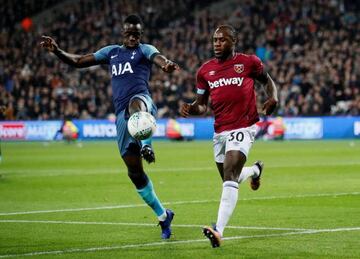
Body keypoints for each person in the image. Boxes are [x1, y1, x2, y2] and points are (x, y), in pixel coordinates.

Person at [40, 14, 180, 239]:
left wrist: (167, 65)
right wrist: (56, 50)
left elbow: (158, 57)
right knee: (135, 172)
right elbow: (78, 62)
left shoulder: (145, 49)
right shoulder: (111, 52)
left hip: (142, 102)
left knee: (136, 106)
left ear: (140, 34)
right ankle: (163, 215)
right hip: (121, 118)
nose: (133, 37)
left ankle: (147, 144)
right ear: (123, 33)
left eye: (137, 33)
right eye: (130, 33)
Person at [180, 25, 278, 247]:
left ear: (234, 41)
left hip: (244, 126)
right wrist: (191, 109)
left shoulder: (249, 62)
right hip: (220, 131)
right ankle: (255, 170)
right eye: (214, 40)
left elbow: (267, 80)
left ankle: (218, 230)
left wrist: (273, 97)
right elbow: (202, 106)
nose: (217, 43)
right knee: (229, 177)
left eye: (222, 40)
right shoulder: (205, 71)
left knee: (230, 173)